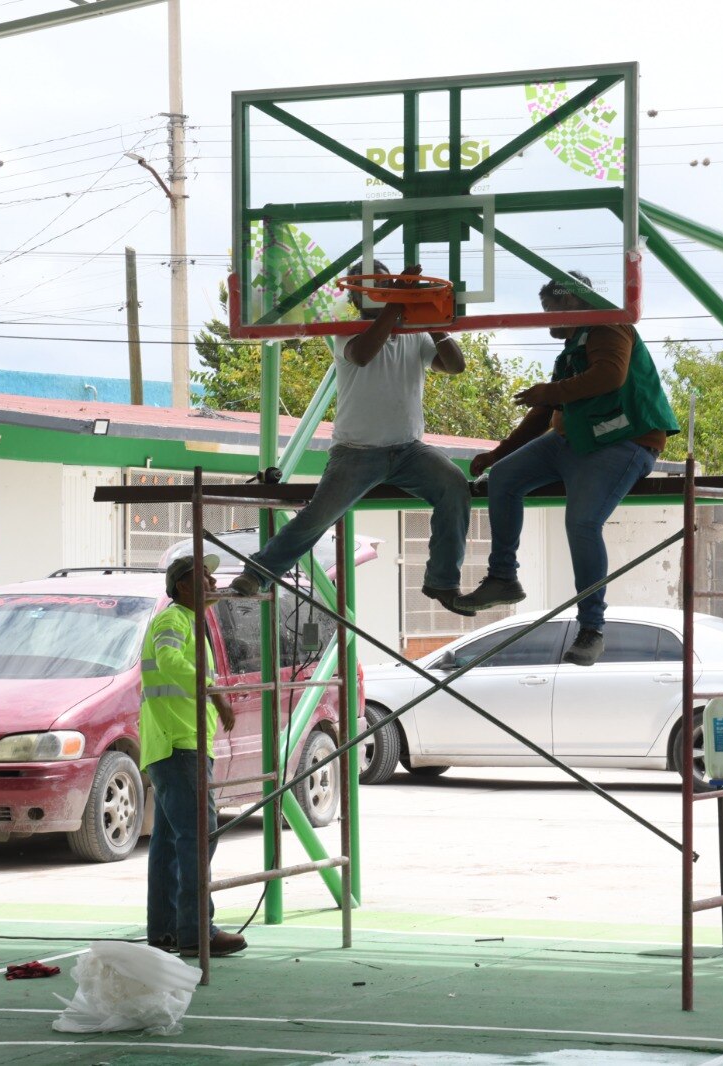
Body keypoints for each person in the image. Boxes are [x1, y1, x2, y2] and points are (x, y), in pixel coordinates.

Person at [457, 272, 679, 666]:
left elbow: (611, 375)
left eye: (550, 310)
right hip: (575, 439)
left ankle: (592, 629)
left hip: (624, 441)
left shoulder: (609, 325)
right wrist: (499, 454)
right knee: (504, 479)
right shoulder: (571, 352)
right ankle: (503, 577)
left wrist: (552, 391)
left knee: (582, 522)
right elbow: (544, 413)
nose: (546, 320)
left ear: (573, 303)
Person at [229, 262, 474, 616]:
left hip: (408, 450)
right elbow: (362, 354)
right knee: (318, 517)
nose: (383, 290)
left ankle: (442, 581)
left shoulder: (415, 334)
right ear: (356, 297)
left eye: (387, 283)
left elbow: (455, 366)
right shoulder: (349, 330)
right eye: (373, 286)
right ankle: (258, 573)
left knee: (454, 486)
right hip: (356, 452)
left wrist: (433, 323)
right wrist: (398, 303)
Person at [140, 553, 246, 958]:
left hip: (177, 743)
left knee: (170, 842)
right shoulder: (172, 621)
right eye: (205, 577)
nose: (214, 584)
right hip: (178, 744)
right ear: (183, 585)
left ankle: (168, 930)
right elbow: (169, 663)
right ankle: (197, 930)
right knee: (199, 837)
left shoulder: (188, 623)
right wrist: (216, 692)